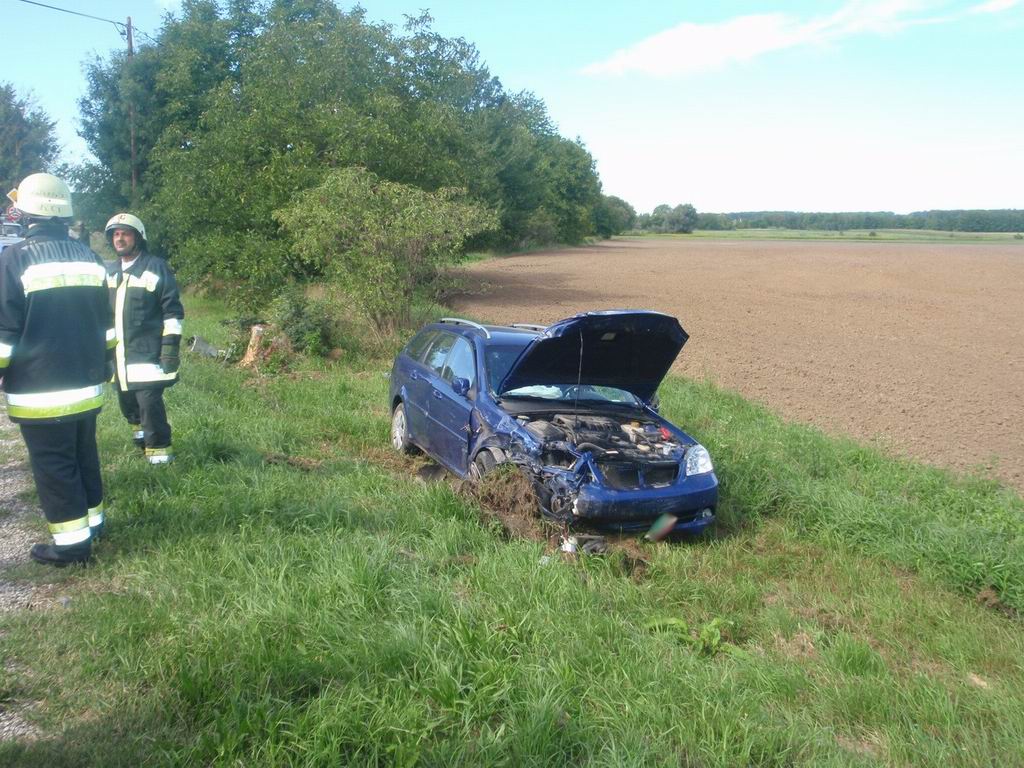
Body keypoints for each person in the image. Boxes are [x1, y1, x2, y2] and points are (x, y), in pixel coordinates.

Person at [0, 173, 115, 566]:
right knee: (83, 455)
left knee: (54, 464)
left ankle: (71, 548)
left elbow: (4, 332)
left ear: (27, 213)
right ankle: (94, 524)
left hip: (41, 390)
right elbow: (108, 325)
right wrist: (106, 366)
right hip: (87, 384)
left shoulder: (13, 259)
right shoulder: (90, 257)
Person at [104, 213, 184, 464]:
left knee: (149, 407)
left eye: (125, 233)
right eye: (115, 234)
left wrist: (170, 349)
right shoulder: (110, 272)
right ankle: (142, 447)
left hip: (148, 355)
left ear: (138, 238)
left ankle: (161, 457)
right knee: (129, 408)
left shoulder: (155, 267)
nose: (120, 238)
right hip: (119, 358)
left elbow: (172, 311)